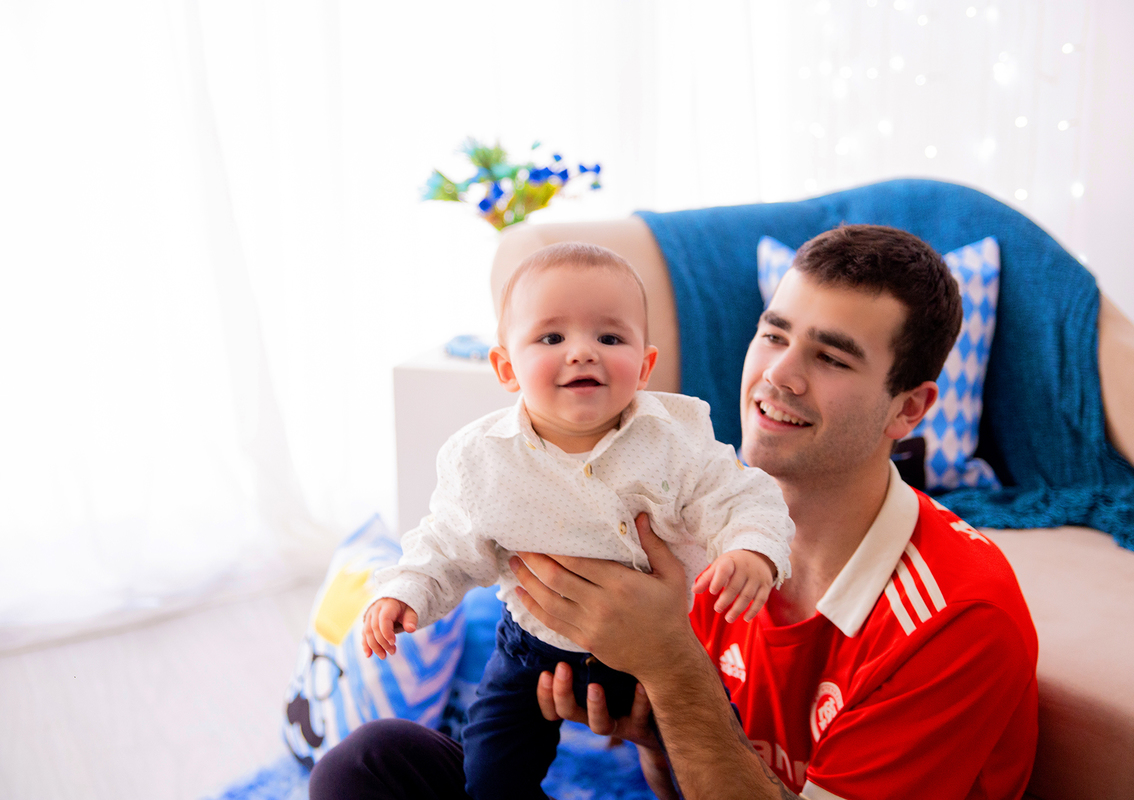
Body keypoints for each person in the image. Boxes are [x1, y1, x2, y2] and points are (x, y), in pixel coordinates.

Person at [310, 225, 1039, 800]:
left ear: (909, 408)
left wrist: (671, 664)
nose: (778, 374)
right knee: (373, 765)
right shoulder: (688, 530)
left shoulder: (957, 620)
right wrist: (657, 732)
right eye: (775, 333)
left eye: (832, 358)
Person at [358, 242, 795, 800]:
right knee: (490, 778)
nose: (583, 352)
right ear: (506, 367)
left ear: (645, 365)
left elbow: (740, 494)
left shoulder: (675, 439)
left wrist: (751, 548)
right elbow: (445, 543)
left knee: (714, 763)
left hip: (657, 654)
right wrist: (405, 592)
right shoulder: (482, 458)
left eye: (610, 338)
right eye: (552, 338)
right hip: (530, 652)